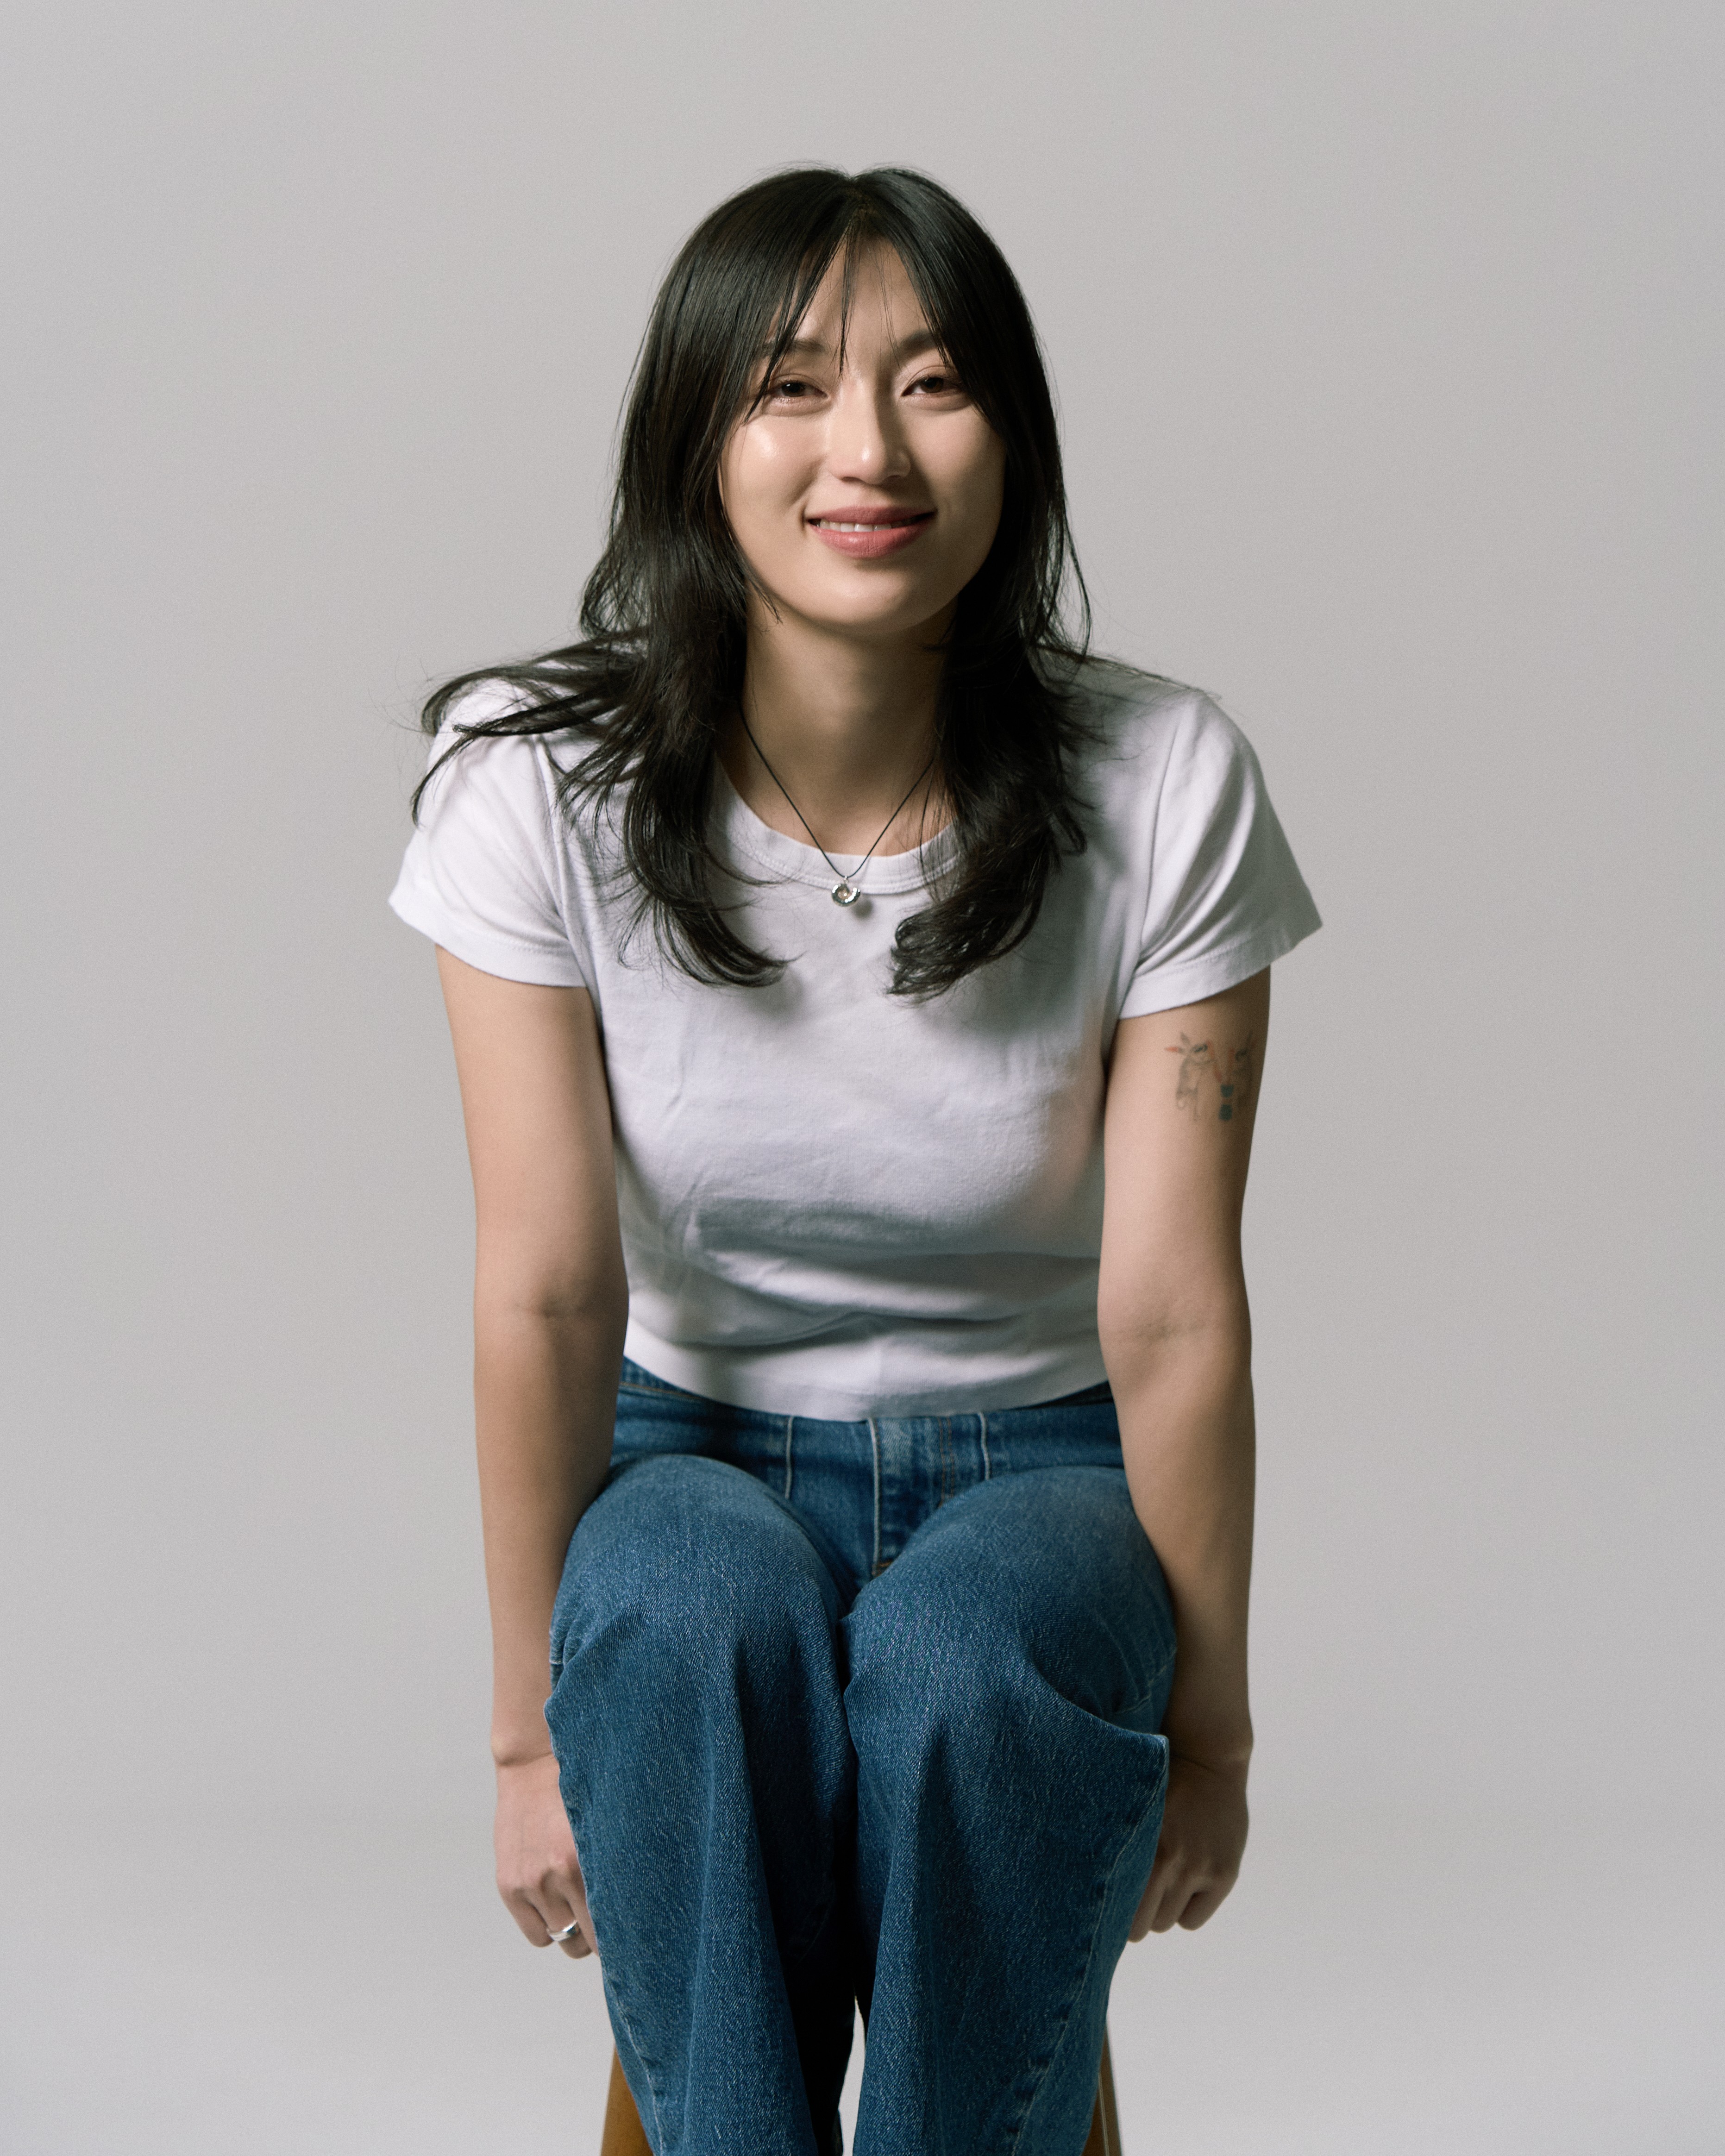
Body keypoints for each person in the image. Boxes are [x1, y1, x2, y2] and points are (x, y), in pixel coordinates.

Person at [389, 165, 1319, 2156]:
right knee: (677, 1608)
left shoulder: (1163, 782)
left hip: (1043, 1470)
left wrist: (1215, 1730)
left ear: (1014, 442)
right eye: (789, 387)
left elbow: (1167, 1310)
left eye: (934, 383)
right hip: (691, 1451)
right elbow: (547, 1285)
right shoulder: (523, 784)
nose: (865, 451)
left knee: (969, 1652)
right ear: (694, 442)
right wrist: (516, 1741)